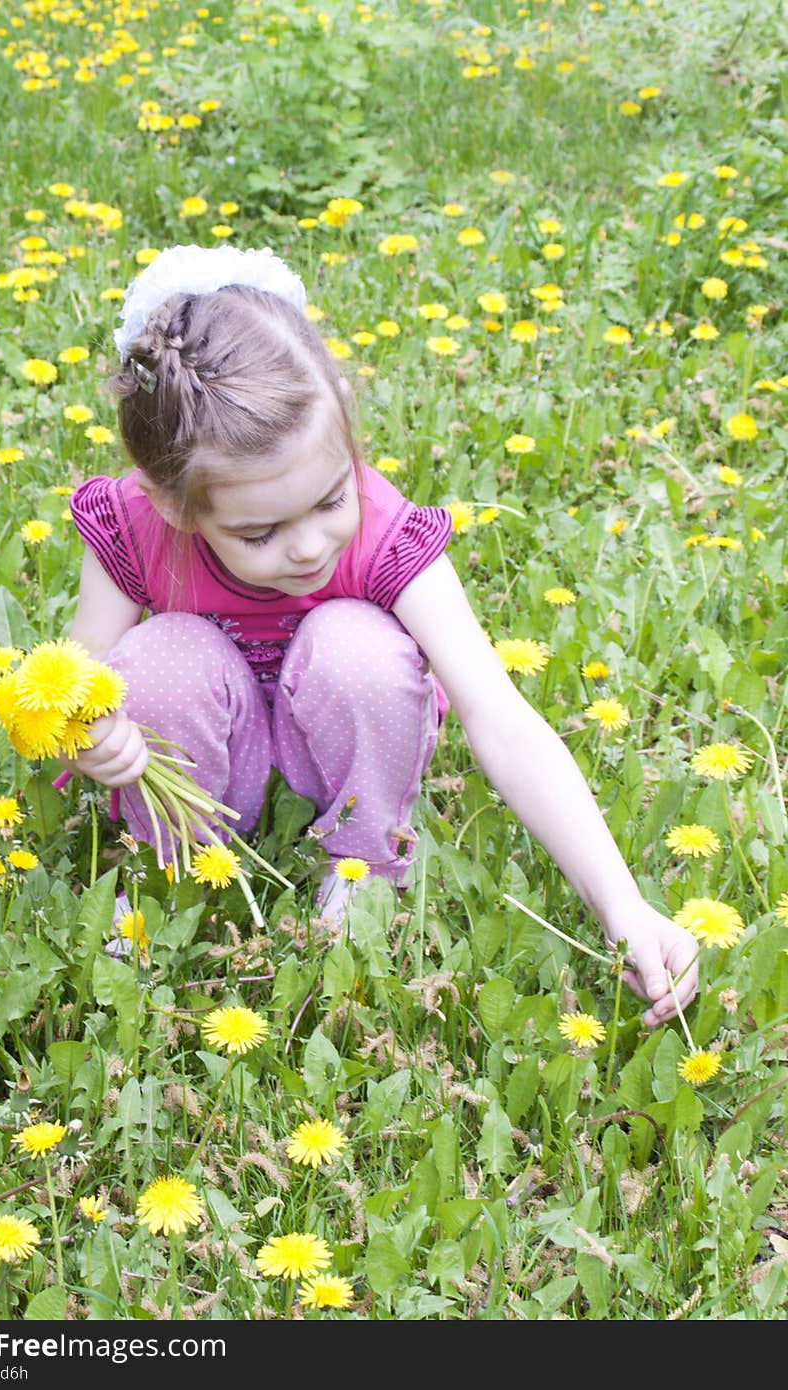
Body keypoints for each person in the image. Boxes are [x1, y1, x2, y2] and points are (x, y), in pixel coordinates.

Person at [61, 243, 698, 1028]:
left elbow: (500, 721)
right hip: (210, 761)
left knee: (354, 641)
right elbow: (68, 691)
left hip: (336, 757)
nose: (307, 546)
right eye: (259, 531)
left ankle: (363, 866)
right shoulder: (135, 530)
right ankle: (176, 875)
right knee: (157, 661)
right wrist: (93, 735)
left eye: (331, 499)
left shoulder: (387, 536)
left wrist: (624, 905)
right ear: (170, 504)